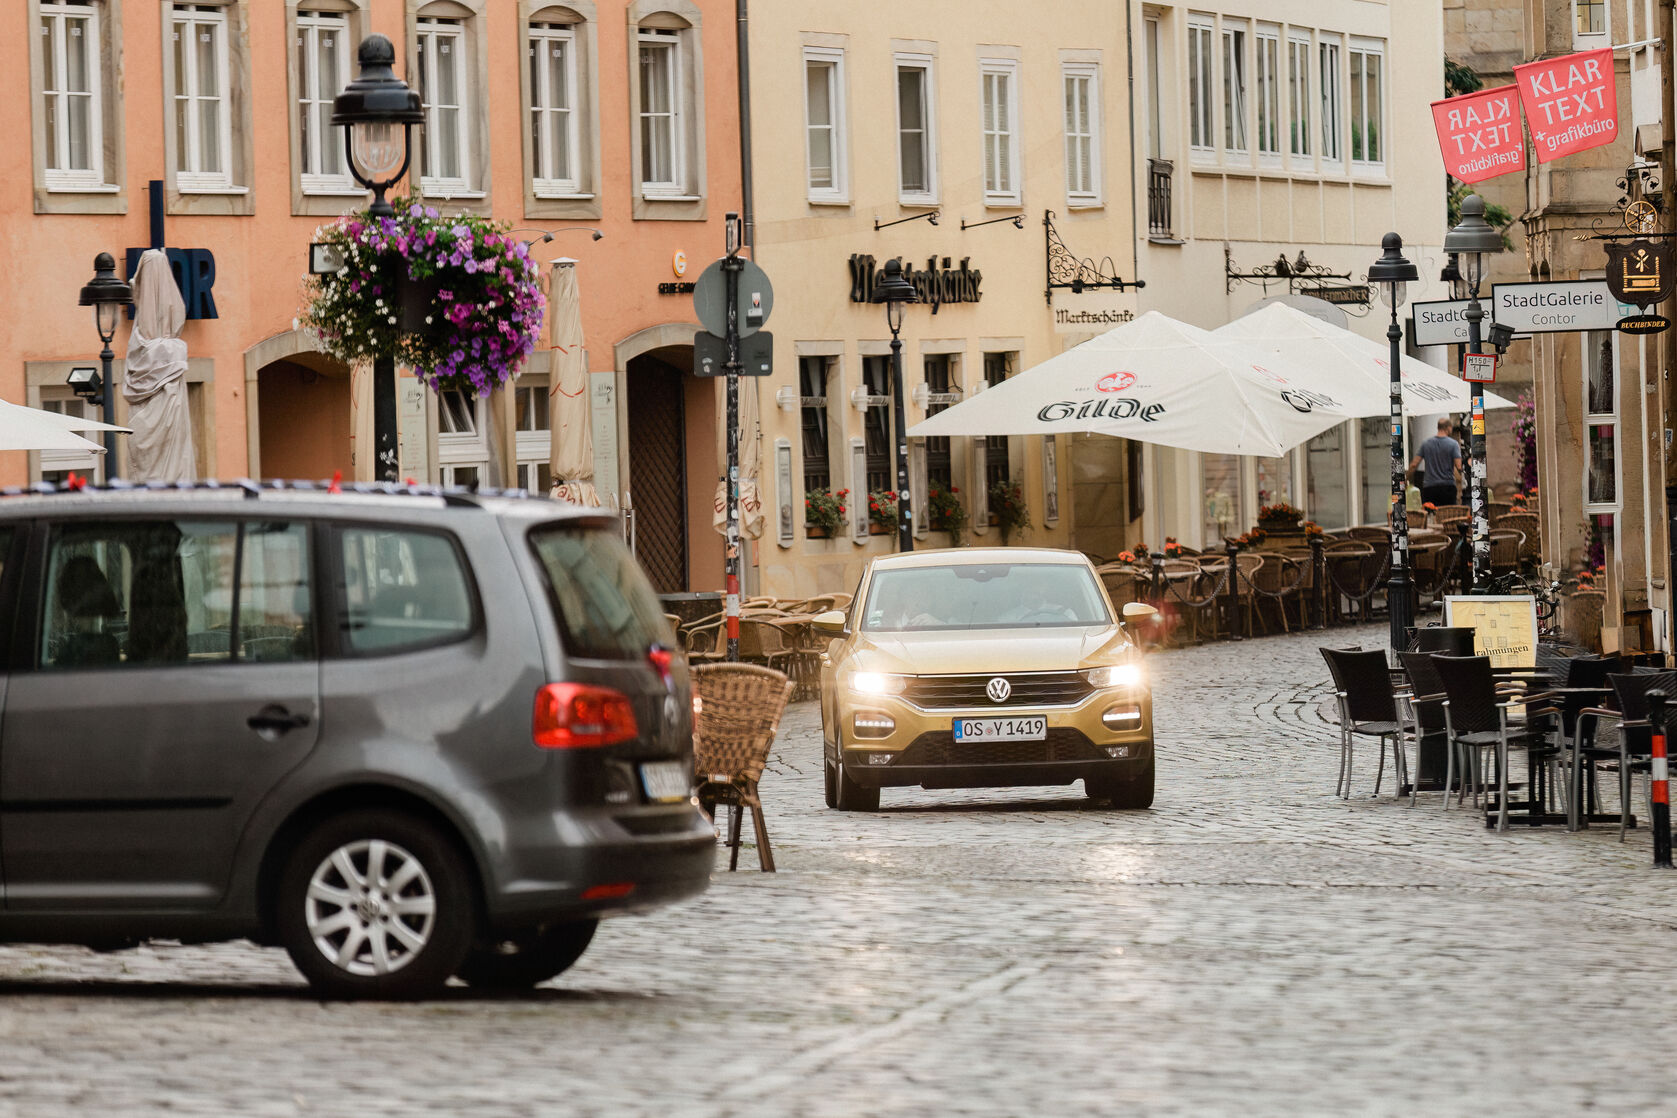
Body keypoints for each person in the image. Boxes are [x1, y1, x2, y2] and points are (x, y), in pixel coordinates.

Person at [1407, 417, 1463, 507]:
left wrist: (1407, 479)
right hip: (1447, 486)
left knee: (1432, 515)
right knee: (1448, 516)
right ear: (1448, 428)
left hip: (1430, 487)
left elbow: (1414, 464)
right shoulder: (1453, 444)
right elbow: (1459, 466)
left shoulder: (1426, 444)